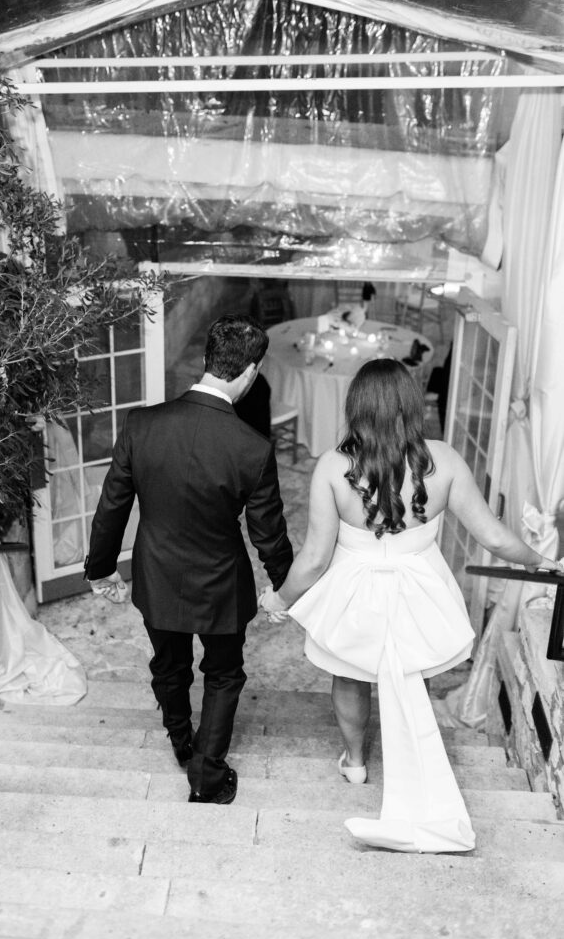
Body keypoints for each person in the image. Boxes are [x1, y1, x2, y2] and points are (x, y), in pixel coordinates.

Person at [260, 358, 562, 853]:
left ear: (356, 406)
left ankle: (355, 763)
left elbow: (314, 558)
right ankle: (410, 748)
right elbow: (492, 536)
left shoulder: (335, 467)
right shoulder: (442, 460)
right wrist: (541, 561)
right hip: (418, 590)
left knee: (350, 673)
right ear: (411, 404)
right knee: (410, 672)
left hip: (354, 592)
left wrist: (279, 598)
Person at [85, 314, 293, 805]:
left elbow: (113, 505)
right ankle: (206, 774)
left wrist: (101, 568)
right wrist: (285, 586)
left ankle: (182, 744)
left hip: (157, 575)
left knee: (169, 665)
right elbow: (269, 534)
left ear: (206, 359)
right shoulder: (252, 448)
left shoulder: (142, 425)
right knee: (224, 673)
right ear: (251, 372)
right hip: (221, 583)